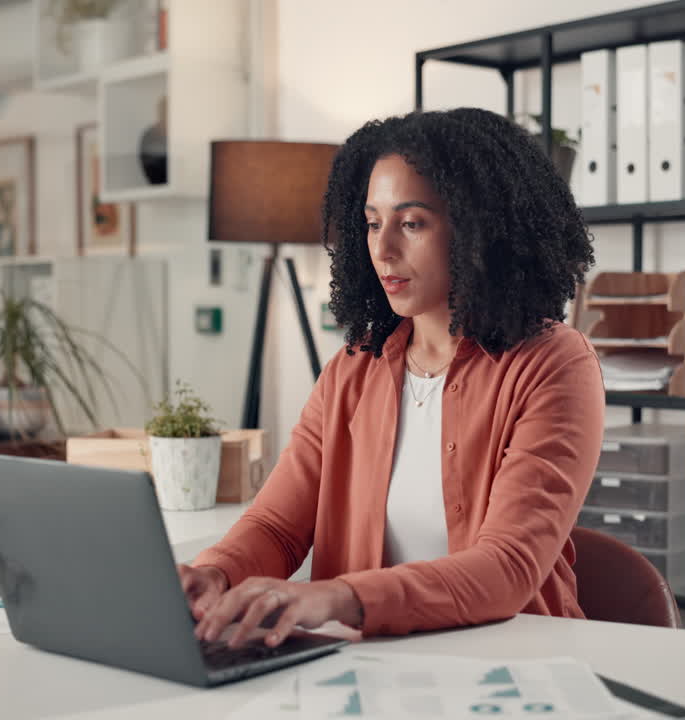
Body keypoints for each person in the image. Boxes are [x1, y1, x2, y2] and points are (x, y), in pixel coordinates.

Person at [181, 107, 605, 649]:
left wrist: (339, 598)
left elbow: (507, 568)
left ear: (480, 230)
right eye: (373, 223)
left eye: (411, 223)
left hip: (513, 666)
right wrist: (212, 573)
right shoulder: (351, 371)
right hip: (366, 669)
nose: (383, 250)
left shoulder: (553, 364)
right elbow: (277, 526)